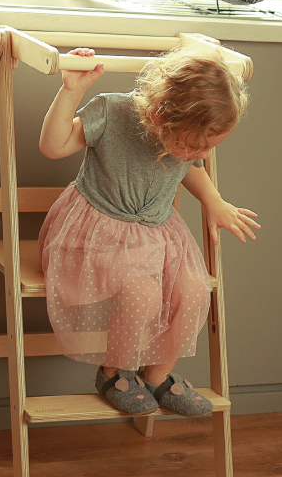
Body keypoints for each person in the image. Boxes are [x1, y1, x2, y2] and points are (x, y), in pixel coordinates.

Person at [38, 44, 259, 417]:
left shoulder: (187, 145)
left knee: (193, 291)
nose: (195, 154)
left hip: (157, 233)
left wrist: (213, 201)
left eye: (205, 148)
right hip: (99, 230)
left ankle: (158, 376)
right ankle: (115, 373)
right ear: (158, 115)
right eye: (191, 145)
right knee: (141, 293)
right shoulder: (111, 111)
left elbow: (191, 167)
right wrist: (72, 90)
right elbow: (53, 146)